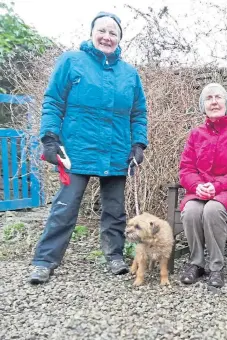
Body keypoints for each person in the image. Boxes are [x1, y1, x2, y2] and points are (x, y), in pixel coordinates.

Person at [29, 11, 148, 284]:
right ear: (92, 33)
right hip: (77, 150)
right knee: (65, 207)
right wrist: (49, 138)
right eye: (102, 31)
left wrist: (138, 143)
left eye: (113, 33)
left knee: (115, 210)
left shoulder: (129, 73)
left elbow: (139, 113)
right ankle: (44, 261)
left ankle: (114, 256)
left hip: (116, 150)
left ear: (119, 39)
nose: (107, 36)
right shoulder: (71, 62)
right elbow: (53, 102)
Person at [179, 83, 227, 288]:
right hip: (201, 191)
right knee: (191, 210)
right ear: (202, 106)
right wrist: (197, 186)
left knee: (213, 209)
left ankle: (216, 267)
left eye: (218, 97)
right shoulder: (196, 135)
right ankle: (196, 263)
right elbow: (186, 169)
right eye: (208, 98)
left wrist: (217, 186)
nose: (214, 102)